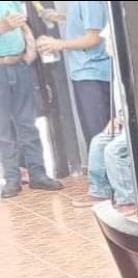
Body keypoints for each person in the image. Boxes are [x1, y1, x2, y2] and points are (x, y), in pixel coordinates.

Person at [0, 2, 61, 197]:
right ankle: (12, 179)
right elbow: (9, 25)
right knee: (3, 129)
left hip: (20, 65)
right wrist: (4, 27)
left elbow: (23, 23)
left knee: (28, 124)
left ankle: (38, 174)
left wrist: (30, 49)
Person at [72, 23, 133, 211]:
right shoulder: (115, 68)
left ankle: (128, 199)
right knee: (99, 142)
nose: (107, 45)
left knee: (114, 150)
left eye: (110, 40)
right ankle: (100, 192)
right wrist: (117, 118)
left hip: (135, 124)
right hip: (123, 121)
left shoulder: (132, 66)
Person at [37, 1, 111, 151]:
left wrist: (58, 44)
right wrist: (61, 17)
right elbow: (89, 20)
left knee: (98, 137)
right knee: (95, 135)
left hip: (92, 74)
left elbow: (94, 37)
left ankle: (103, 166)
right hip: (85, 73)